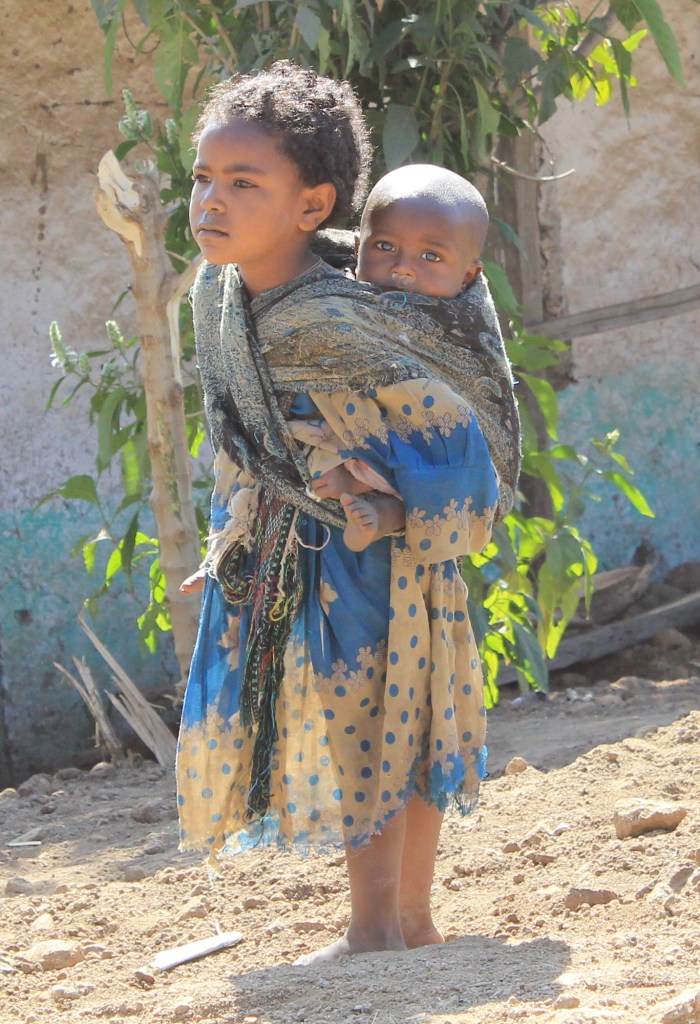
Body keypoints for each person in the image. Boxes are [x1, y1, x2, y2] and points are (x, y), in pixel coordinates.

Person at [177, 61, 520, 965]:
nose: (212, 200)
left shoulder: (341, 317)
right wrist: (234, 532)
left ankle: (377, 931)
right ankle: (408, 923)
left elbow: (458, 437)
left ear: (312, 202)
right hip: (294, 543)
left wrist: (391, 501)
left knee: (375, 723)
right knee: (379, 722)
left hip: (367, 553)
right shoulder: (223, 303)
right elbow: (247, 438)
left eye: (244, 183)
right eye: (203, 178)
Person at [291, 164, 492, 552]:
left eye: (430, 256)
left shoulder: (465, 332)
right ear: (356, 246)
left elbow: (487, 416)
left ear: (468, 276)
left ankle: (388, 511)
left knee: (462, 440)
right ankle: (356, 478)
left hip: (432, 464)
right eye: (385, 246)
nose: (402, 267)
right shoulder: (329, 305)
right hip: (339, 447)